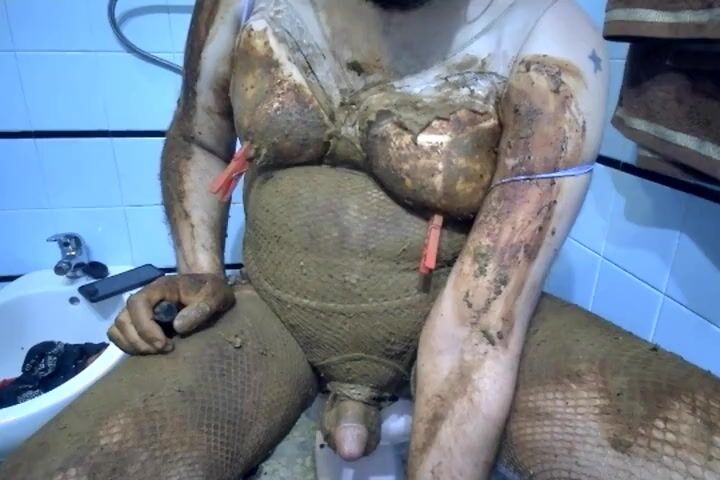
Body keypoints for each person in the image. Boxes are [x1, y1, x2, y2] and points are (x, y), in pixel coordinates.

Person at [107, 0, 608, 477]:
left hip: (450, 322)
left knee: (641, 438)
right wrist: (199, 272)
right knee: (97, 460)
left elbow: (479, 326)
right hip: (270, 319)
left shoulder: (550, 38)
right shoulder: (245, 7)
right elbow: (199, 136)